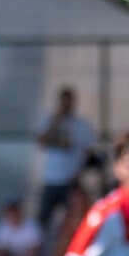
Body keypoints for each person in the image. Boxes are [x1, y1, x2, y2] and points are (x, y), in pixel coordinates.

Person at [35, 86, 97, 229]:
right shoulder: (48, 121)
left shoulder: (81, 125)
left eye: (68, 102)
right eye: (63, 102)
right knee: (43, 219)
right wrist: (55, 123)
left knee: (74, 217)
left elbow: (89, 152)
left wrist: (79, 172)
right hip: (51, 178)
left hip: (70, 180)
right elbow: (41, 142)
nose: (65, 106)